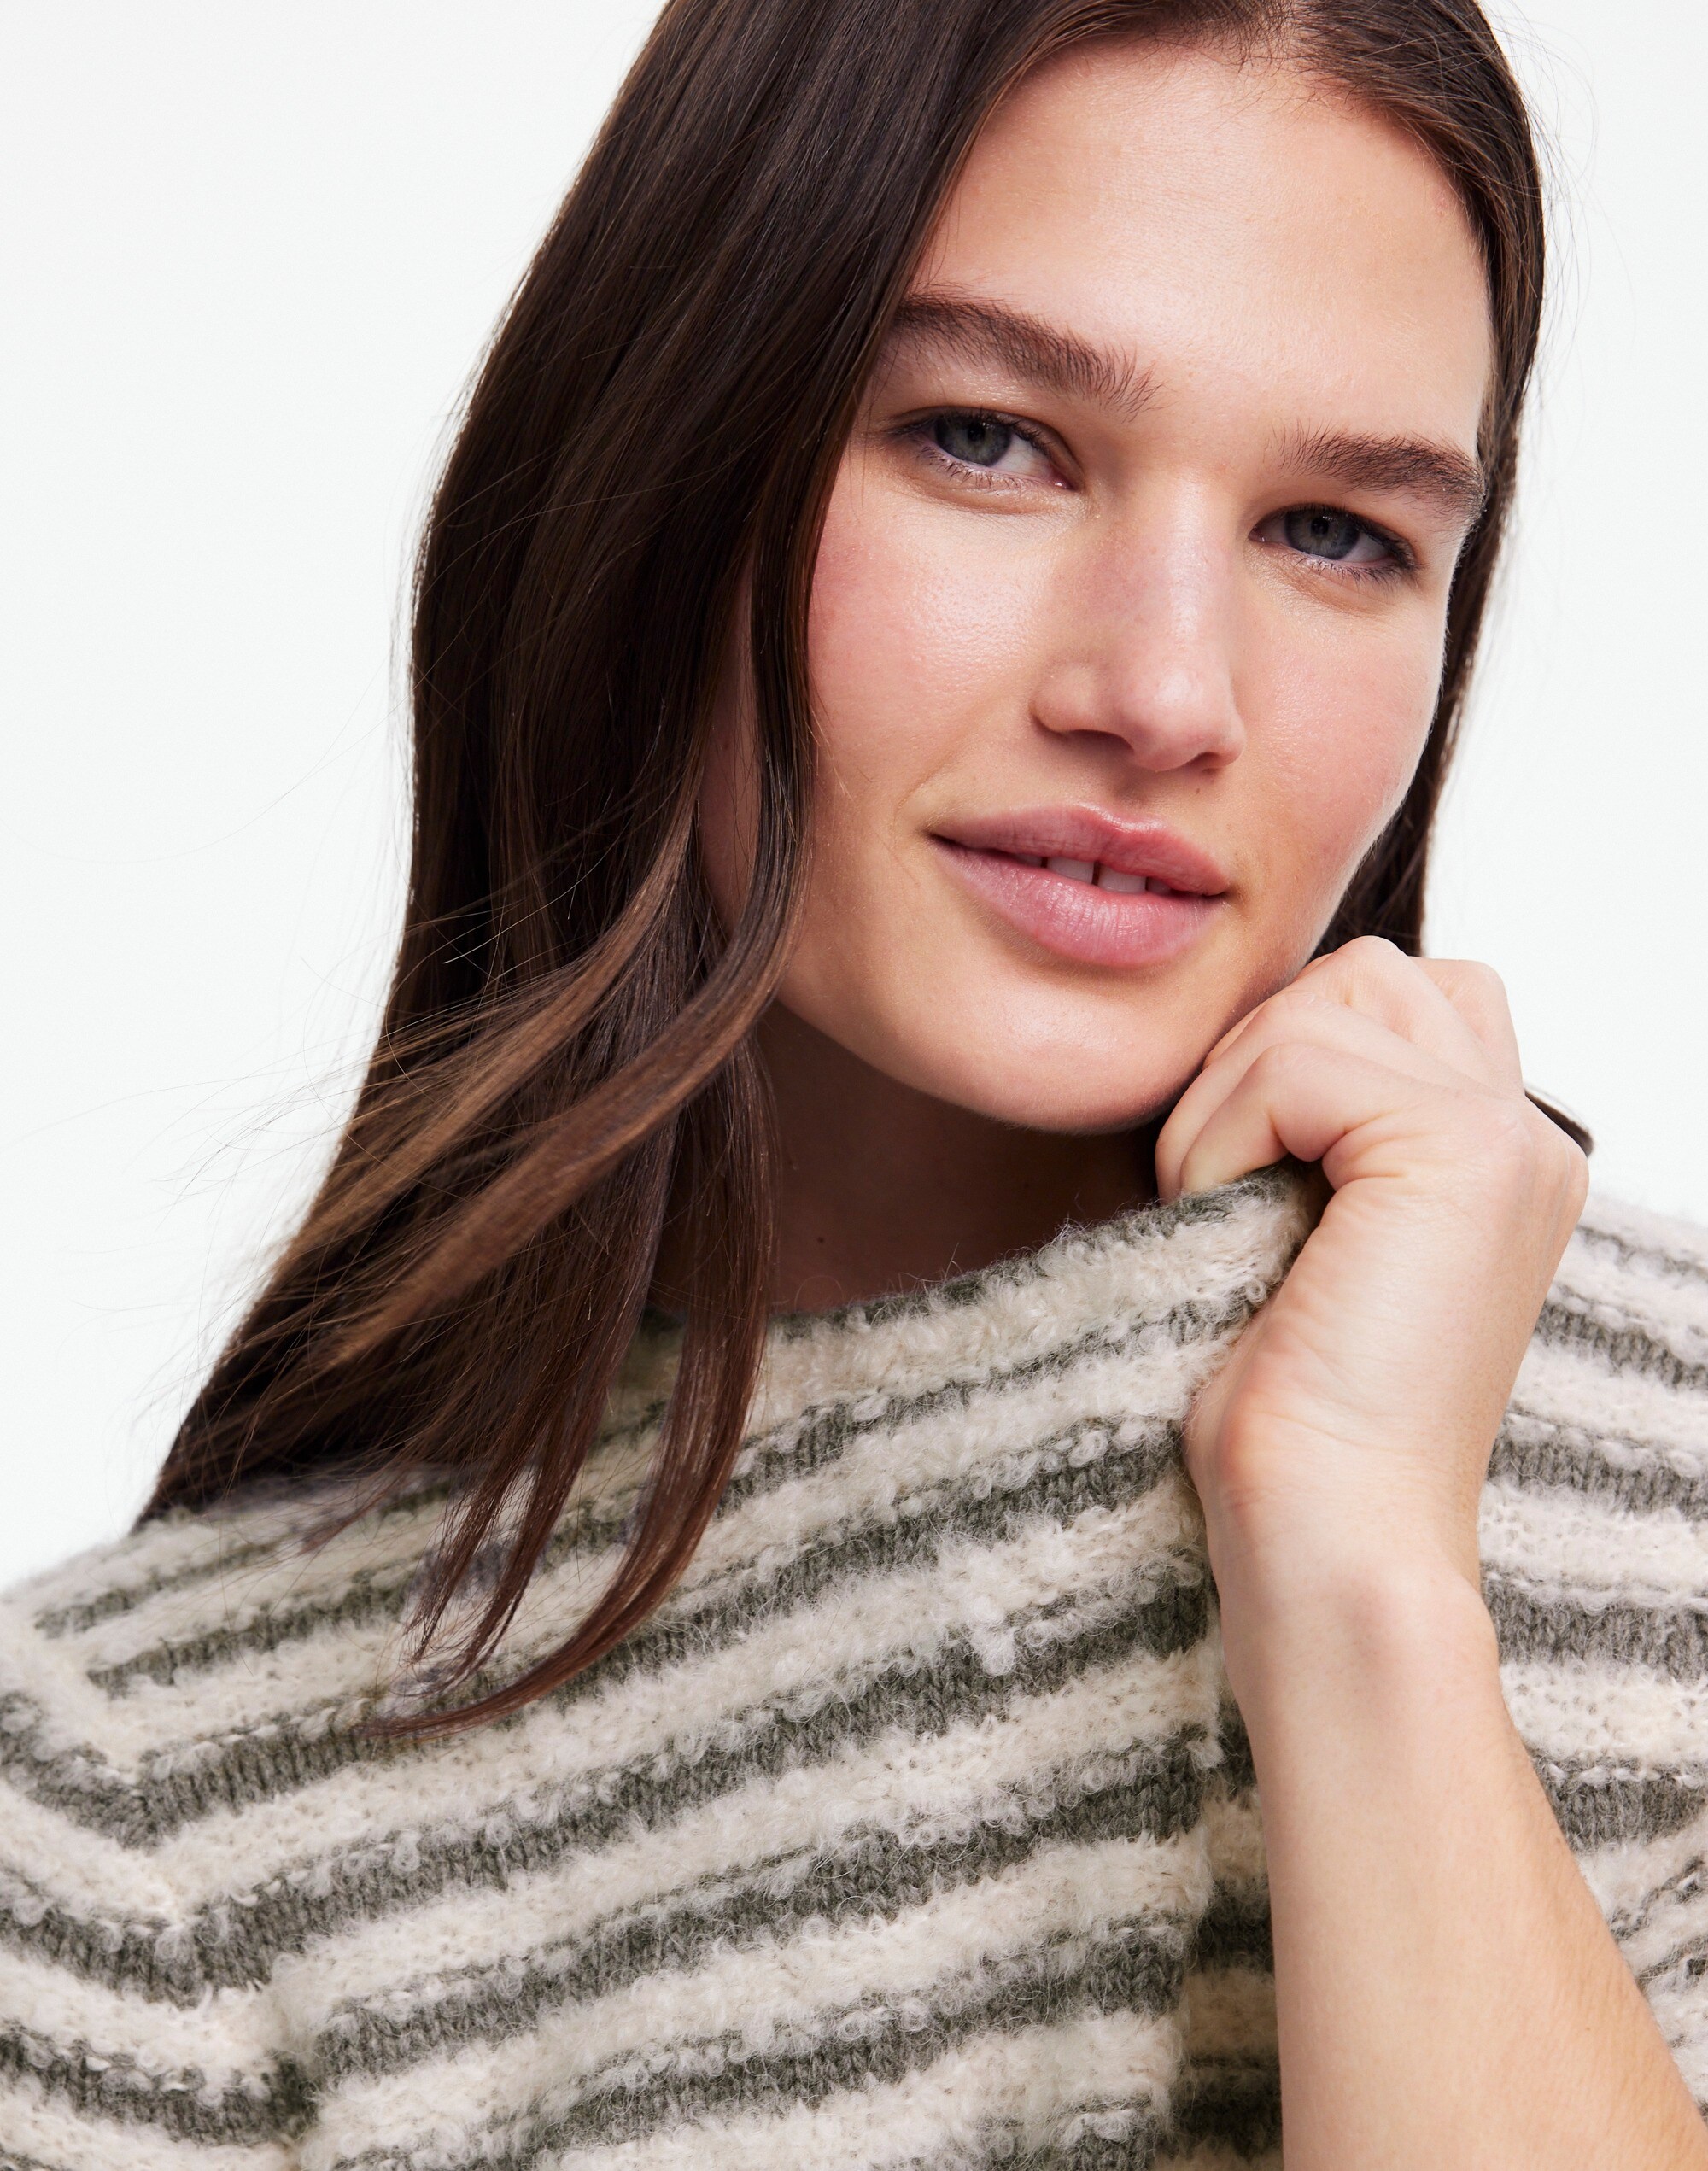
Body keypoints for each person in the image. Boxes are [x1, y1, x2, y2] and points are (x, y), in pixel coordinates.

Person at [4, 0, 1707, 2164]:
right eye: (986, 439)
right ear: (667, 458)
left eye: (1337, 533)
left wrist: (1366, 1563)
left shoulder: (1670, 1501)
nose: (1164, 690)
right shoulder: (136, 1811)